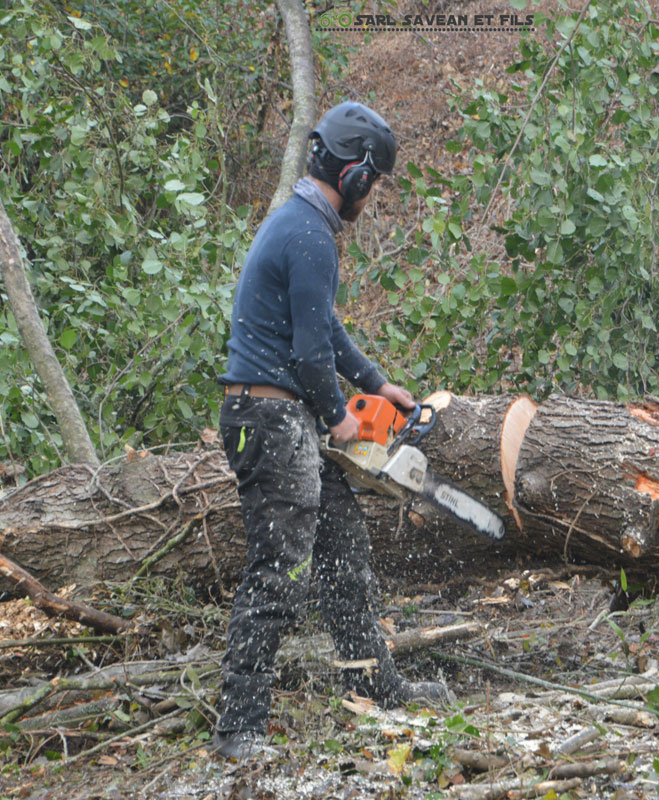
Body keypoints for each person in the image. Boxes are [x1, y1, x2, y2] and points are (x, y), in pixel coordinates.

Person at [212, 101, 453, 761]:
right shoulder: (310, 233)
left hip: (279, 414)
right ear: (354, 175)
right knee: (279, 572)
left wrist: (375, 385)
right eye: (371, 182)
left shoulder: (299, 224)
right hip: (270, 416)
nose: (369, 196)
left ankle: (377, 688)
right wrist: (344, 420)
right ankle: (239, 730)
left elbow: (324, 329)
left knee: (343, 553)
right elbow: (311, 359)